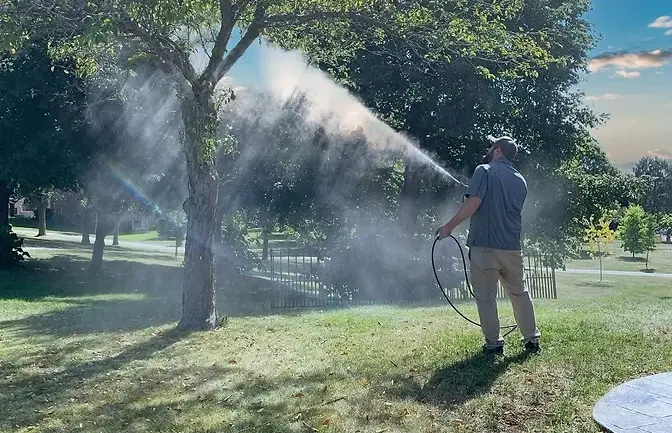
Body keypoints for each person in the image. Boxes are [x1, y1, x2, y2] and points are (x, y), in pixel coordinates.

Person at [437, 135, 541, 355]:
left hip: (485, 247)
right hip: (512, 247)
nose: (488, 149)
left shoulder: (483, 170)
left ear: (498, 150)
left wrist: (448, 227)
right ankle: (532, 340)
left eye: (491, 146)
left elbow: (474, 203)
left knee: (486, 297)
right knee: (520, 293)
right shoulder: (520, 180)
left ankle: (494, 344)